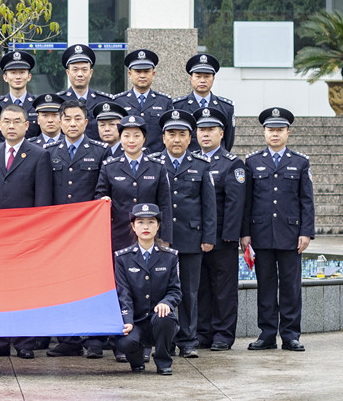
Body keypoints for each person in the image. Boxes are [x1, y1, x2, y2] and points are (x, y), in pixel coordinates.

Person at [0, 104, 53, 359]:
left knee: (25, 289)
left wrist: (37, 235)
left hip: (26, 237)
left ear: (27, 125)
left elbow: (43, 200)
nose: (11, 126)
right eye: (6, 121)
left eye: (16, 122)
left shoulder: (39, 155)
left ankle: (25, 342)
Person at [242, 107, 314, 352]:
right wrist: (246, 233)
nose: (275, 134)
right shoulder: (252, 162)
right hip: (261, 233)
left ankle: (291, 334)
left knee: (291, 287)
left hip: (291, 235)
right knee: (266, 286)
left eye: (279, 130)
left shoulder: (300, 162)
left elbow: (306, 200)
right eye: (270, 130)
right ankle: (267, 333)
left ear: (288, 132)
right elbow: (247, 201)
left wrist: (306, 232)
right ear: (264, 133)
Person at [44, 100, 109, 358]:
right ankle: (68, 339)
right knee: (62, 283)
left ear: (86, 122)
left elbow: (102, 189)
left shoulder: (100, 151)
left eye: (77, 119)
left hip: (88, 232)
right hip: (58, 232)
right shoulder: (48, 151)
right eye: (67, 118)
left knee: (91, 283)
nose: (72, 123)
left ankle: (94, 339)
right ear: (60, 122)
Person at [151, 110, 216, 358]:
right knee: (159, 292)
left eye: (181, 135)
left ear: (190, 138)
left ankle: (188, 340)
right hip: (160, 240)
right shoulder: (154, 163)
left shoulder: (200, 165)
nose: (176, 140)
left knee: (190, 292)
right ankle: (162, 340)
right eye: (171, 134)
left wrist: (208, 237)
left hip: (191, 239)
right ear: (163, 137)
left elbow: (209, 205)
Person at [194, 107, 246, 351]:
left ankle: (223, 334)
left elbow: (235, 205)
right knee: (201, 288)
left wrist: (228, 238)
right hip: (197, 237)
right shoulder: (193, 160)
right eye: (201, 130)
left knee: (223, 289)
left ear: (222, 133)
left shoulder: (231, 164)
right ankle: (203, 332)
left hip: (221, 239)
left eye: (211, 130)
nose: (206, 134)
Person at [114, 204, 182, 376]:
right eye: (140, 222)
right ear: (133, 226)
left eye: (151, 222)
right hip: (135, 321)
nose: (146, 227)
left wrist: (166, 302)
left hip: (157, 321)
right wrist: (127, 320)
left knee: (165, 317)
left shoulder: (170, 256)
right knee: (126, 343)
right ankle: (136, 361)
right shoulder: (122, 258)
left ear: (158, 226)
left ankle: (163, 361)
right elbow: (124, 294)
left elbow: (175, 290)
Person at [95, 115, 173, 253]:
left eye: (136, 136)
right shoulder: (109, 167)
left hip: (151, 237)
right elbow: (100, 198)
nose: (131, 140)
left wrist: (165, 239)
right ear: (120, 138)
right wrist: (104, 201)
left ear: (144, 139)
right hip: (118, 236)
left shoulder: (158, 167)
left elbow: (165, 205)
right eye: (126, 136)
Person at [112, 49, 172, 153]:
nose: (142, 76)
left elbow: (169, 133)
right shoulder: (118, 101)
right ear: (130, 74)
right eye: (138, 72)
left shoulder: (164, 102)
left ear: (153, 74)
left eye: (146, 71)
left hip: (156, 159)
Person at [172, 54, 236, 152]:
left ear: (213, 78)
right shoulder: (178, 106)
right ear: (191, 78)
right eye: (198, 76)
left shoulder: (226, 107)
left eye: (207, 76)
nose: (202, 80)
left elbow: (228, 140)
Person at [56, 44, 111, 140]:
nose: (80, 74)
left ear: (91, 73)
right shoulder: (58, 101)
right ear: (68, 73)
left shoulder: (104, 101)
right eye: (75, 70)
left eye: (84, 70)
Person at [0, 50, 39, 138]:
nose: (18, 77)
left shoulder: (37, 105)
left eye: (22, 72)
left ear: (29, 76)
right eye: (13, 73)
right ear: (5, 77)